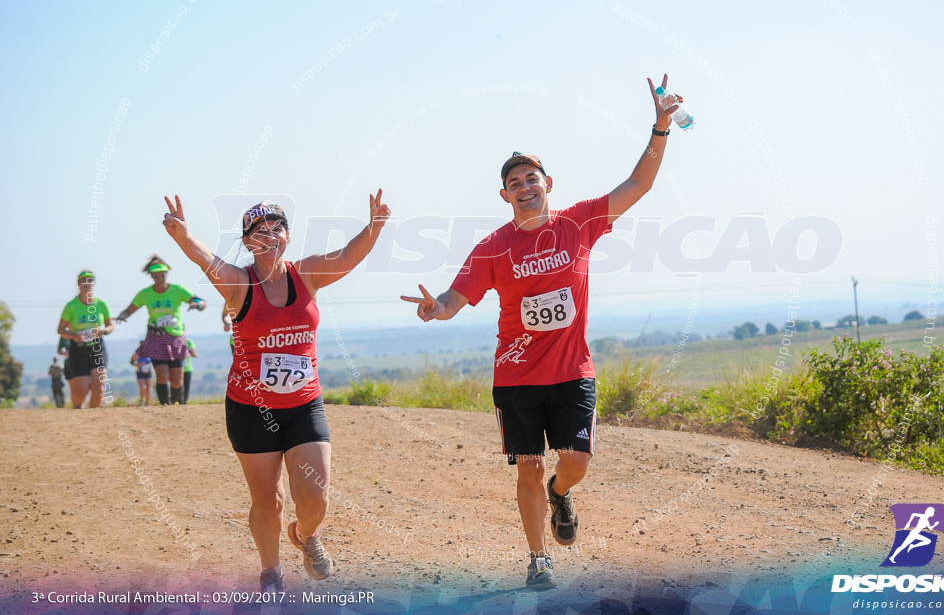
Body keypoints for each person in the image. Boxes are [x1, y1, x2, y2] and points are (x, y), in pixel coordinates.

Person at [402, 75, 682, 588]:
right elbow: (454, 298)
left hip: (573, 372)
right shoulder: (492, 247)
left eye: (532, 179)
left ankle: (562, 493)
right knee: (526, 468)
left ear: (547, 184)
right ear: (504, 194)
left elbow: (638, 185)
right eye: (515, 183)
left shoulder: (579, 223)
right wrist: (433, 308)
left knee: (575, 462)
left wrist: (660, 127)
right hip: (517, 379)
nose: (525, 187)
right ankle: (539, 560)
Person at [161, 192, 391, 593]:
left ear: (288, 235)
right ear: (248, 242)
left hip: (304, 406)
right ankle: (271, 572)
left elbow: (348, 257)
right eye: (259, 231)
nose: (269, 236)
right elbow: (204, 258)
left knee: (314, 500)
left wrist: (374, 226)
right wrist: (182, 234)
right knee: (269, 501)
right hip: (251, 409)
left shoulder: (308, 274)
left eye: (277, 229)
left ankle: (305, 536)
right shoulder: (238, 283)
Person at [114, 256, 206, 405]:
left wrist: (196, 305)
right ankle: (164, 405)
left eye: (162, 275)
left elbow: (201, 302)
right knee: (162, 375)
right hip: (155, 337)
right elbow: (130, 309)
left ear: (166, 274)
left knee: (177, 380)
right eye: (156, 276)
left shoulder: (178, 290)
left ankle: (175, 402)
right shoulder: (145, 294)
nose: (159, 278)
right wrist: (121, 316)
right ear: (152, 276)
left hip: (175, 338)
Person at [57, 270, 115, 408]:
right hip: (78, 349)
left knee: (99, 386)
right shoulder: (71, 306)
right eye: (84, 280)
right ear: (79, 284)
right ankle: (78, 407)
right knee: (81, 389)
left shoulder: (102, 304)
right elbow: (60, 329)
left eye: (90, 280)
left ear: (94, 283)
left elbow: (110, 325)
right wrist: (74, 336)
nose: (87, 283)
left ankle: (94, 418)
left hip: (97, 346)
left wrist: (104, 331)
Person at [182, 338, 197, 404]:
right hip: (173, 368)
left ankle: (183, 403)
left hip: (187, 368)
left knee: (186, 389)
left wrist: (185, 347)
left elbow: (194, 354)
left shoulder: (188, 341)